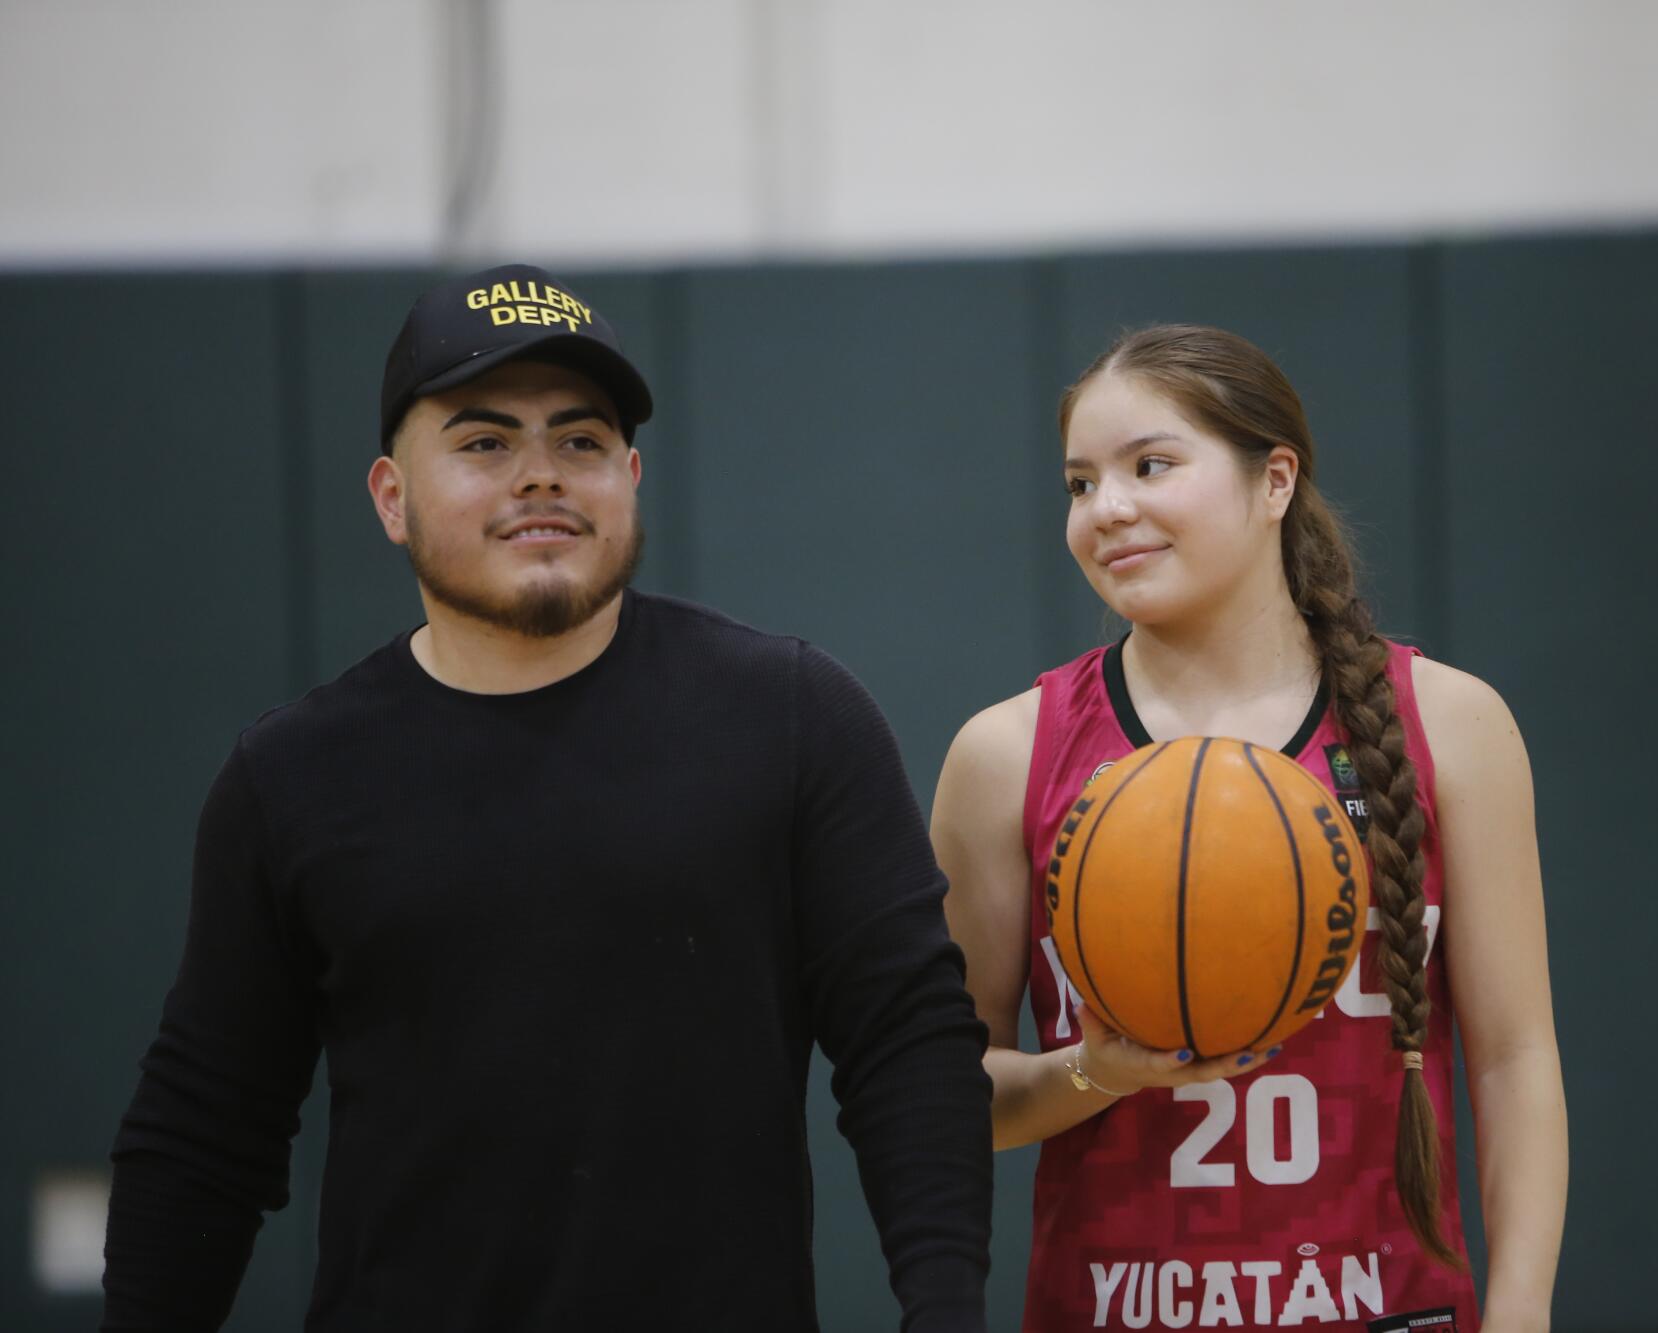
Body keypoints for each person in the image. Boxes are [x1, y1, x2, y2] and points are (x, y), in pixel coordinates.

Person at [103, 264, 994, 1332]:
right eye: (484, 443)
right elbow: (207, 1131)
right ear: (391, 496)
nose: (541, 476)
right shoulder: (291, 775)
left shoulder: (793, 718)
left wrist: (941, 1309)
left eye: (578, 441)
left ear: (628, 474)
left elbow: (909, 1048)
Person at [931, 325, 1565, 1331]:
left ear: (1274, 481)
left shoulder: (1447, 723)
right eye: (1079, 483)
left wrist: (1522, 1311)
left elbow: (1511, 1055)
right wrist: (1095, 1070)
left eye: (1149, 465)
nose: (1108, 509)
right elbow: (946, 1097)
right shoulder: (1004, 756)